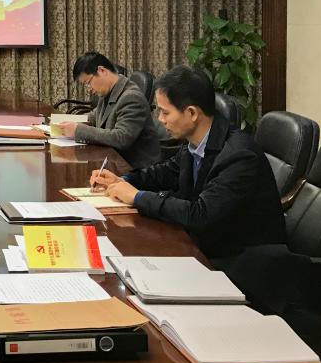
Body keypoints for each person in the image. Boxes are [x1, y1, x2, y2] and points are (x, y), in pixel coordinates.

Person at [92, 65, 285, 259]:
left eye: (165, 113)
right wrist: (124, 180)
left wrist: (138, 197)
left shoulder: (239, 155)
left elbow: (201, 214)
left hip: (241, 257)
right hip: (205, 243)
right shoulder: (197, 140)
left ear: (192, 113)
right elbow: (168, 171)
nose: (160, 120)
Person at [56, 52, 160, 169]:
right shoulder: (108, 91)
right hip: (113, 162)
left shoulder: (131, 97)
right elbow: (93, 117)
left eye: (88, 83)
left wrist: (78, 130)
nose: (89, 89)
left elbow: (121, 138)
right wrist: (59, 122)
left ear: (102, 71)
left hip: (135, 168)